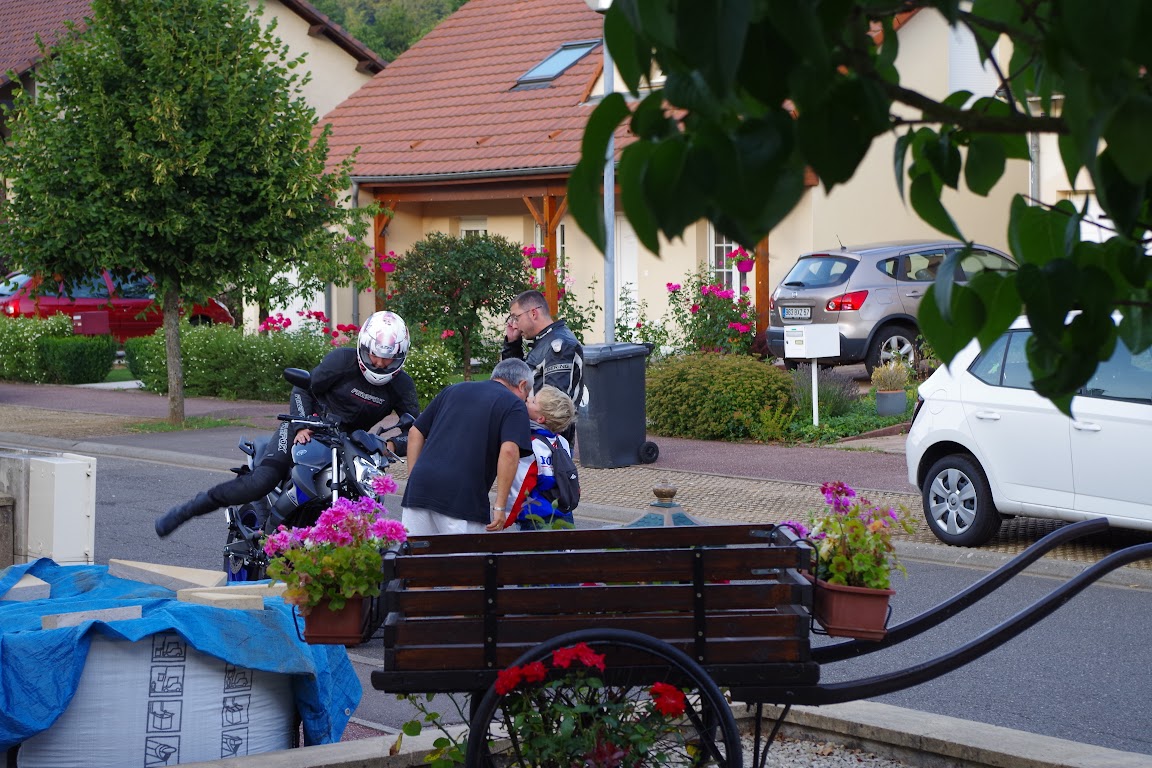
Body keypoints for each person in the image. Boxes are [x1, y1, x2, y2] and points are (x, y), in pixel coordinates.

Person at [154, 311, 420, 538]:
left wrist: (390, 444)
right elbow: (302, 388)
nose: (380, 363)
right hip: (307, 427)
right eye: (375, 355)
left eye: (388, 359)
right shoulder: (341, 361)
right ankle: (186, 511)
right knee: (262, 481)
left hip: (350, 445)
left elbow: (416, 429)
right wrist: (301, 425)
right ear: (365, 345)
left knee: (364, 498)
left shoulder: (402, 385)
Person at [401, 358, 533, 535]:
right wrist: (500, 507)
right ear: (522, 385)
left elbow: (415, 432)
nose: (525, 401)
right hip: (462, 499)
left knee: (414, 558)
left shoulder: (454, 389)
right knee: (463, 561)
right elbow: (509, 451)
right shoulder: (514, 404)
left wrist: (414, 478)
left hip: (419, 490)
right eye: (528, 394)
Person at [501, 289, 584, 443]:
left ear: (533, 313)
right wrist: (512, 344)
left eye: (516, 317)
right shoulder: (543, 342)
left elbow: (552, 407)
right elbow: (513, 378)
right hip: (536, 434)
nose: (515, 324)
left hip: (548, 440)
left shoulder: (559, 345)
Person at [501, 385, 577, 530]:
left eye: (534, 401)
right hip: (564, 514)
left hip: (536, 518)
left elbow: (520, 484)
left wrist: (505, 515)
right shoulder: (562, 443)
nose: (528, 399)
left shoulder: (531, 445)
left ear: (540, 418)